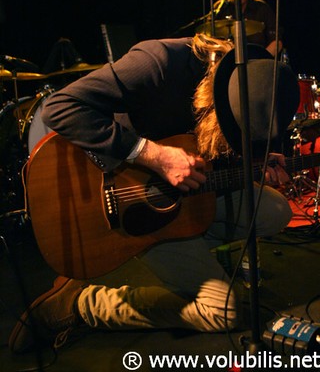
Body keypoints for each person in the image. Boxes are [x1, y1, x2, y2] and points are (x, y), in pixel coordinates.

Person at [9, 34, 295, 354]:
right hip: (127, 208)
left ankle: (189, 249)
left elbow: (212, 158)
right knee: (223, 313)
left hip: (184, 201)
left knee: (275, 211)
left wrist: (254, 162)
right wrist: (153, 155)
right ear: (217, 99)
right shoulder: (158, 62)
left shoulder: (253, 90)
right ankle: (80, 304)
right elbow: (61, 108)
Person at [212, 0, 282, 56]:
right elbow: (208, 40)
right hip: (227, 64)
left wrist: (260, 60)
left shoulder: (262, 8)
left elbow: (276, 43)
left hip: (258, 63)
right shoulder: (219, 8)